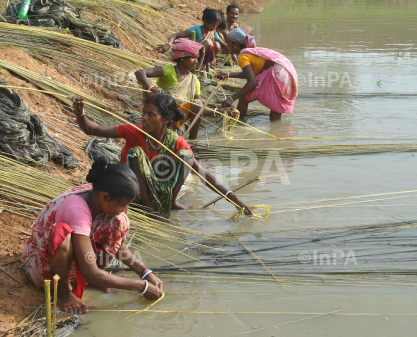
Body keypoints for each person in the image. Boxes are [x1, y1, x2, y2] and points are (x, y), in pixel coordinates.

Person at [72, 93, 253, 218]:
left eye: (151, 115)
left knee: (187, 156)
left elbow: (203, 174)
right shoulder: (133, 131)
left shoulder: (176, 142)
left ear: (166, 119)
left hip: (160, 189)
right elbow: (91, 129)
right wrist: (80, 113)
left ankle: (171, 202)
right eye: (144, 113)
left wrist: (235, 200)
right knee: (136, 153)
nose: (144, 118)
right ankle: (150, 210)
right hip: (131, 189)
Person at [21, 157, 163, 314]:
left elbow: (117, 245)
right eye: (123, 205)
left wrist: (145, 272)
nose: (126, 209)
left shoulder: (97, 195)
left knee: (119, 221)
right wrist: (140, 286)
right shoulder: (76, 209)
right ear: (105, 197)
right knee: (61, 234)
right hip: (44, 269)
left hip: (79, 262)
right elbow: (90, 272)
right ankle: (63, 292)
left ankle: (97, 278)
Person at [135, 38, 235, 139]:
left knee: (198, 103)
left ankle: (193, 141)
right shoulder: (169, 71)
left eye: (197, 58)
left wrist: (219, 111)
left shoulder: (194, 80)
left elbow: (198, 109)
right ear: (182, 57)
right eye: (193, 57)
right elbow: (140, 72)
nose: (196, 61)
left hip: (179, 118)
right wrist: (152, 88)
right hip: (161, 115)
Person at [217, 28, 299, 121]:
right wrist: (228, 74)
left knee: (244, 97)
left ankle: (239, 124)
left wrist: (231, 98)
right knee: (276, 107)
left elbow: (252, 83)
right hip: (287, 71)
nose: (226, 45)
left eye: (227, 43)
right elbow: (250, 74)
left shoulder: (243, 57)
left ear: (235, 44)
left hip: (279, 73)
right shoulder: (250, 52)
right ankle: (277, 130)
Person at [156, 7, 227, 69]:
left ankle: (205, 65)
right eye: (212, 25)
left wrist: (234, 51)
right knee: (208, 43)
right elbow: (175, 35)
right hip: (191, 56)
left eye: (216, 25)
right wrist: (169, 44)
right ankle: (196, 66)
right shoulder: (196, 29)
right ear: (205, 22)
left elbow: (223, 44)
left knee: (217, 44)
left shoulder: (213, 32)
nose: (214, 28)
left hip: (200, 58)